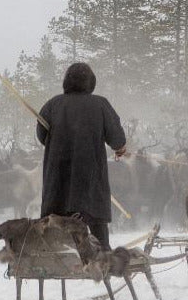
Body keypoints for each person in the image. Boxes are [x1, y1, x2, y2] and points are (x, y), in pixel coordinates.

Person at [37, 63, 126, 250]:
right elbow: (117, 139)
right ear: (91, 82)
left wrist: (60, 145)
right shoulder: (100, 104)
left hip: (58, 181)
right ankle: (102, 258)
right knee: (97, 231)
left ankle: (54, 256)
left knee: (54, 225)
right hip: (90, 180)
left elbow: (41, 136)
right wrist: (120, 149)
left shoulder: (52, 105)